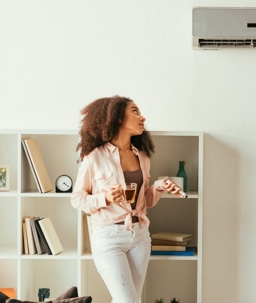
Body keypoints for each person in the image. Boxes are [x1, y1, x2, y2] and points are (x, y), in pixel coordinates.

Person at [71, 95, 182, 303]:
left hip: (140, 236)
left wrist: (159, 186)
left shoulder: (142, 156)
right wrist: (104, 198)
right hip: (108, 238)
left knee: (130, 300)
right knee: (129, 301)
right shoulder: (94, 156)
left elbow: (146, 202)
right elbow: (77, 199)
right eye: (135, 111)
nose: (142, 117)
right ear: (118, 117)